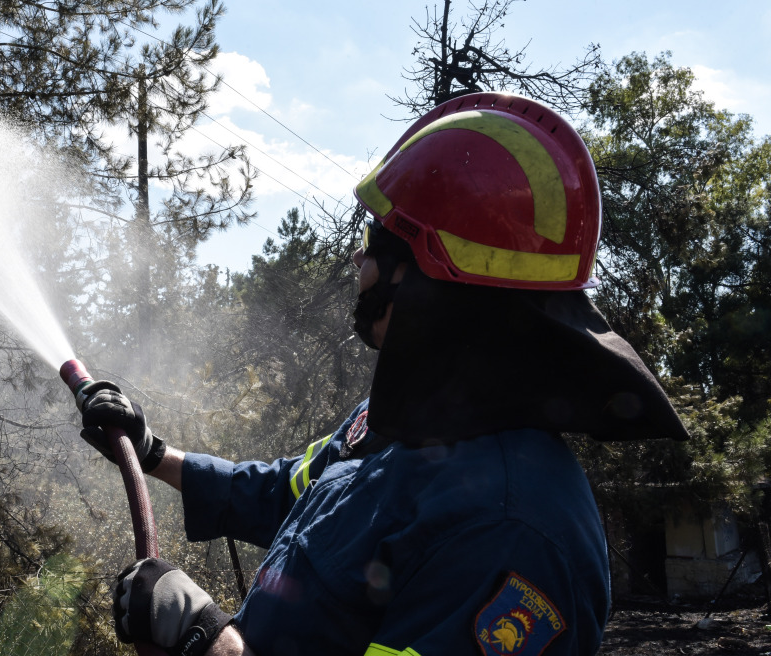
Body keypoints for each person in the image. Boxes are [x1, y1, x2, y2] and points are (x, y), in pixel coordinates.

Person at [78, 92, 690, 656]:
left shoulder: (510, 534)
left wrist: (205, 640)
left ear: (430, 279)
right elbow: (287, 491)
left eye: (377, 245)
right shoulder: (408, 421)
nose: (359, 260)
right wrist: (152, 451)